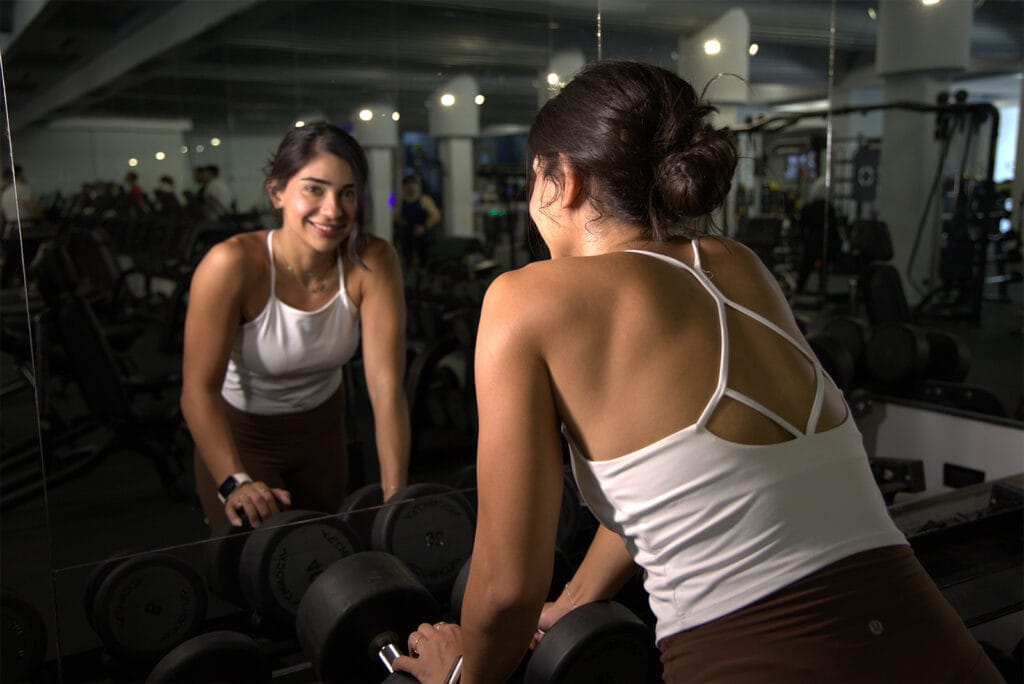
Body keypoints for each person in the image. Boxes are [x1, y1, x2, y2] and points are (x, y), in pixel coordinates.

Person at [392, 60, 1000, 683]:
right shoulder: (737, 266)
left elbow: (505, 590)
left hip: (756, 660)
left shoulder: (525, 300)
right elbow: (680, 484)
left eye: (532, 180)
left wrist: (459, 674)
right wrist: (574, 603)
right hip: (934, 641)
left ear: (563, 179)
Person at [180, 122, 410, 529]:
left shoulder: (373, 260)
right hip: (242, 435)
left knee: (321, 558)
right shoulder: (231, 264)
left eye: (347, 193)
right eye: (314, 189)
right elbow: (198, 391)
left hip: (322, 434)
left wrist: (395, 497)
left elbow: (386, 387)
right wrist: (235, 481)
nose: (333, 210)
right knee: (252, 569)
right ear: (277, 192)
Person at [394, 174, 441, 267]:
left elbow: (436, 216)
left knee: (423, 261)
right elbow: (396, 217)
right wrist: (405, 224)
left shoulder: (424, 200)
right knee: (407, 261)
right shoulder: (401, 202)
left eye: (412, 184)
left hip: (423, 237)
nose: (410, 187)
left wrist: (424, 227)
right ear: (404, 187)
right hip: (408, 237)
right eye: (407, 185)